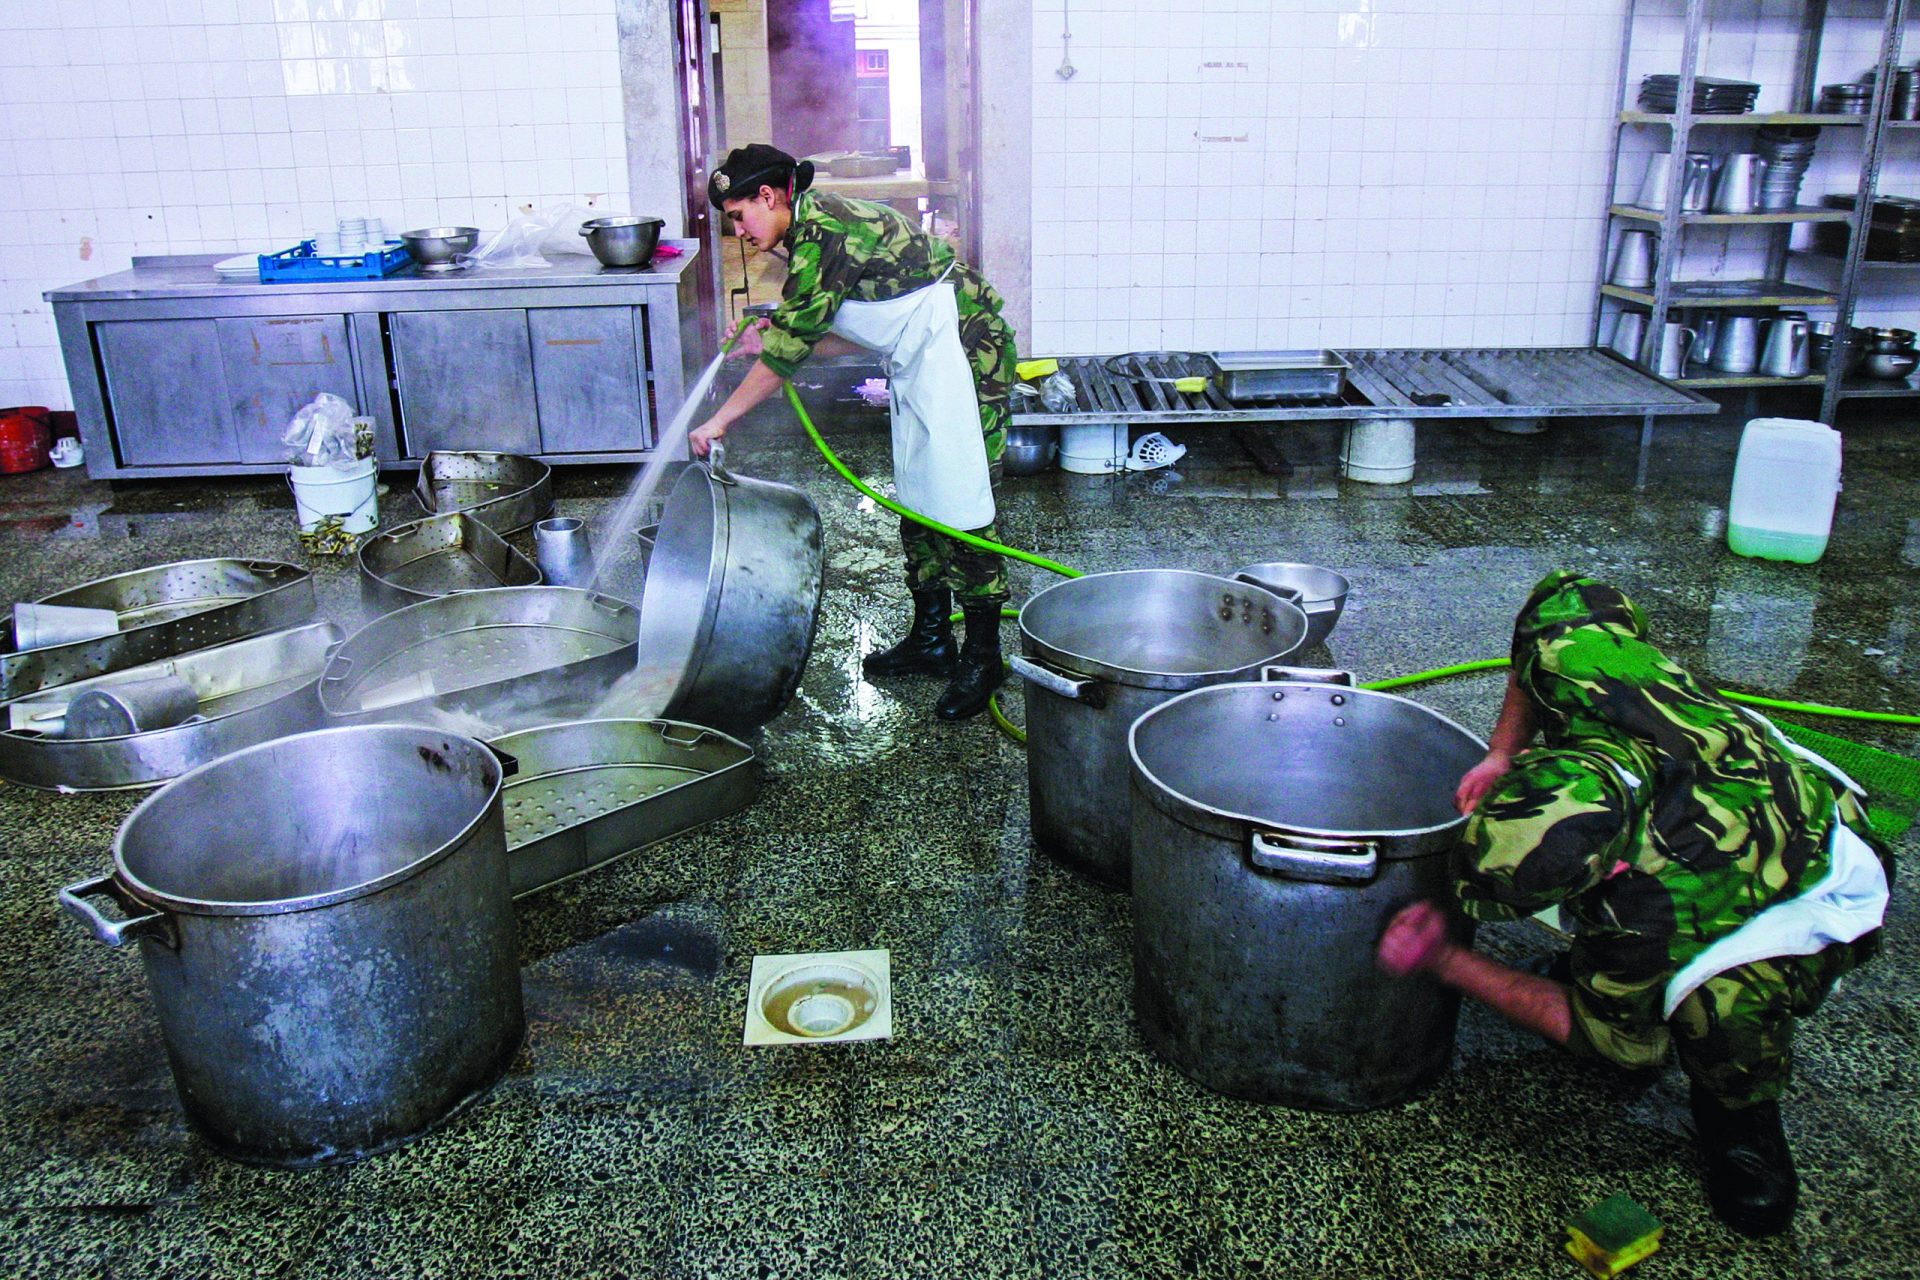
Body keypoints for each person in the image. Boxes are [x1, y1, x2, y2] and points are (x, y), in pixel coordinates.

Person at [1376, 571, 1892, 1238]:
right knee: (1632, 963)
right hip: (1733, 779)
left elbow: (1618, 1047)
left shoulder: (1656, 909)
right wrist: (1504, 753)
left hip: (1810, 882)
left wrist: (1445, 961)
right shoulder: (1581, 661)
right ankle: (1620, 977)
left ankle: (1743, 1121)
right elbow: (1558, 599)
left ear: (1613, 868)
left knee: (1719, 1007)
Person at [687, 143, 1018, 722]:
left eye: (740, 215)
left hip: (966, 349)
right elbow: (831, 332)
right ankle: (933, 638)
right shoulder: (806, 239)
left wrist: (721, 418)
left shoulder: (829, 232)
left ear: (769, 196)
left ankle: (985, 655)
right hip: (919, 355)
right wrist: (772, 336)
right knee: (919, 493)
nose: (738, 231)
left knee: (963, 501)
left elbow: (793, 349)